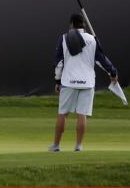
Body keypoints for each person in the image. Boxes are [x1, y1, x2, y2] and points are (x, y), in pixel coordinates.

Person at [49, 13, 119, 153]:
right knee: (82, 114)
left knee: (63, 113)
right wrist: (112, 72)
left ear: (71, 24)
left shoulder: (63, 38)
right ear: (84, 24)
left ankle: (56, 146)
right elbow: (102, 60)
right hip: (87, 82)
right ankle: (78, 146)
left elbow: (58, 63)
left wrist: (57, 81)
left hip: (68, 82)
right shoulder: (92, 39)